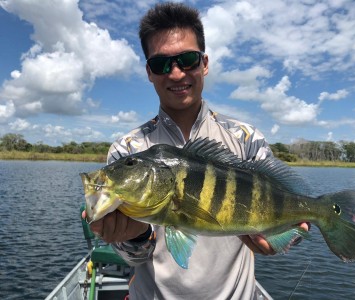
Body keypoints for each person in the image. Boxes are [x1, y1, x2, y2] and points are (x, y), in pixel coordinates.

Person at [87, 3, 309, 299]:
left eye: (187, 60)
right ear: (149, 73)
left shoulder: (245, 139)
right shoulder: (128, 150)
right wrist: (134, 236)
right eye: (161, 64)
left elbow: (282, 213)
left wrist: (288, 236)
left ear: (204, 63)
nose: (176, 74)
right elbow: (133, 259)